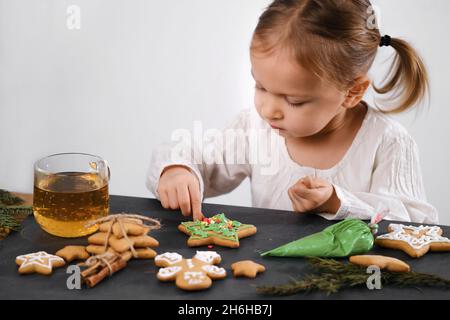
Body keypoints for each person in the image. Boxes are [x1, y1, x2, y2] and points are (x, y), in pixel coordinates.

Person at [147, 0, 438, 224]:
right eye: (260, 86)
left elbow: (414, 221)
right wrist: (177, 170)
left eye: (294, 101)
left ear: (352, 92)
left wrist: (338, 202)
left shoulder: (387, 142)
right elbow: (197, 159)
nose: (269, 110)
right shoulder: (254, 128)